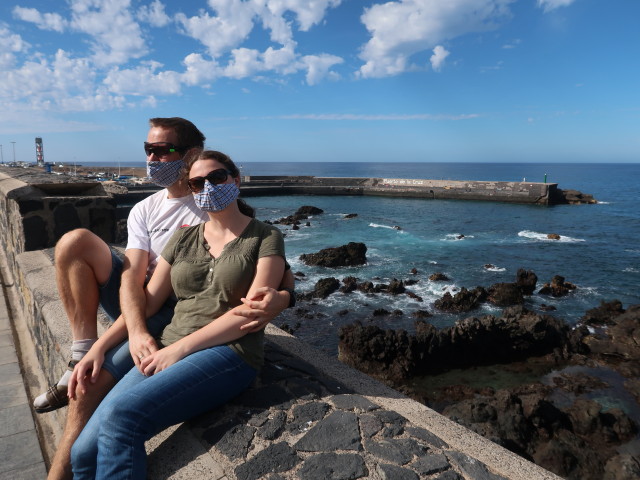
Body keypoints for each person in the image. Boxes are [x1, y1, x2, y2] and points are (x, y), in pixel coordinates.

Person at [41, 118, 294, 480]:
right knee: (84, 449)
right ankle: (81, 352)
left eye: (218, 178)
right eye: (198, 182)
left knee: (121, 417)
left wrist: (285, 294)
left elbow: (257, 300)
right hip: (166, 330)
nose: (207, 187)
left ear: (235, 179)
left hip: (223, 348)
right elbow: (140, 289)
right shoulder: (178, 232)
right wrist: (101, 345)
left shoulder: (261, 234)